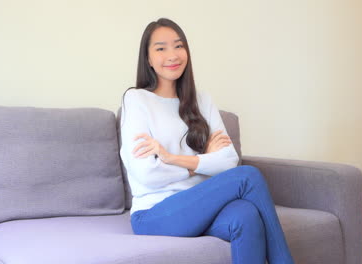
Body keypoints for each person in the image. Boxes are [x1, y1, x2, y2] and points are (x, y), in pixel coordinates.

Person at [119, 18, 294, 264]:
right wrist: (200, 164)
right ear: (148, 59)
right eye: (160, 48)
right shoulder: (136, 100)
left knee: (246, 214)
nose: (172, 55)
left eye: (178, 46)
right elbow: (147, 174)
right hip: (155, 213)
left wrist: (170, 158)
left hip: (200, 205)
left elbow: (229, 161)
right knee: (248, 176)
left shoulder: (203, 100)